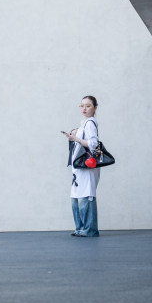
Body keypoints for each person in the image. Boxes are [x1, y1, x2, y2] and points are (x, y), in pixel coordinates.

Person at [63, 95, 101, 237]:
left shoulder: (90, 123)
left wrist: (76, 138)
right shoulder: (84, 123)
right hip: (79, 169)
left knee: (85, 197)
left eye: (88, 105)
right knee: (77, 198)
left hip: (87, 167)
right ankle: (80, 228)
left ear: (95, 108)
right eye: (82, 105)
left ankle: (89, 230)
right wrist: (76, 133)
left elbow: (93, 144)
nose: (84, 108)